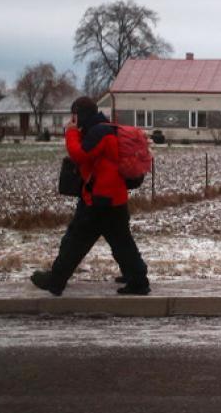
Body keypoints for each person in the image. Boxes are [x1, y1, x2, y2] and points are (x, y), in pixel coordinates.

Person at [30, 97, 150, 296]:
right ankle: (138, 279)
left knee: (75, 240)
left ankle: (56, 280)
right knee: (121, 241)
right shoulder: (105, 128)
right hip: (113, 197)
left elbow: (80, 155)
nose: (72, 119)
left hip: (99, 199)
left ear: (79, 114)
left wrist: (70, 133)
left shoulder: (98, 132)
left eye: (74, 115)